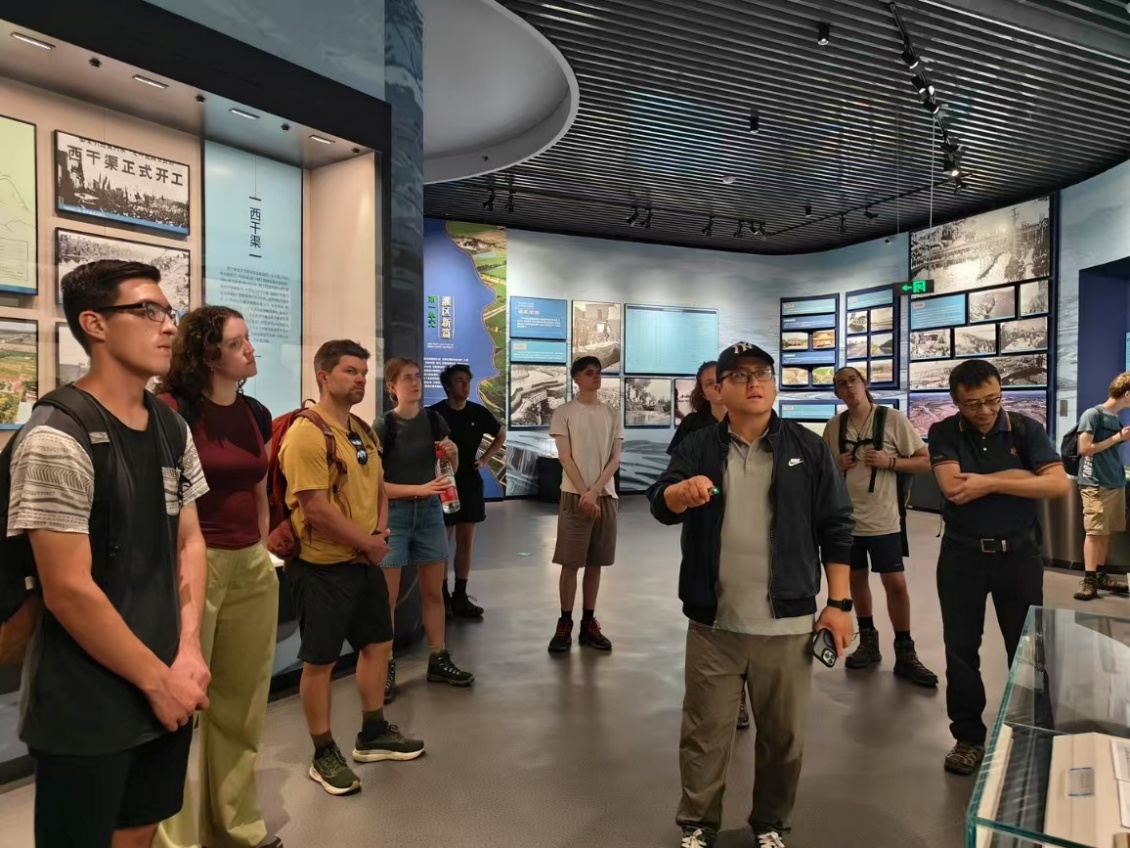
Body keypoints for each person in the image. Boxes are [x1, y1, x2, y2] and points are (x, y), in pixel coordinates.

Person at [8, 260, 210, 846]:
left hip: (167, 676)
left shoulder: (171, 426)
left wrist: (188, 650)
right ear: (94, 324)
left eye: (168, 311)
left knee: (139, 831)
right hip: (87, 698)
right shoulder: (56, 435)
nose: (168, 325)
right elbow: (68, 590)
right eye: (147, 311)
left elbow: (190, 539)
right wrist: (159, 682)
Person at [648, 341, 854, 848]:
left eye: (762, 373)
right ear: (719, 389)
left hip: (786, 623)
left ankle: (771, 822)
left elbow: (836, 525)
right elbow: (660, 501)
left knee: (784, 736)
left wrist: (838, 604)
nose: (754, 383)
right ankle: (698, 824)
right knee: (704, 733)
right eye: (740, 376)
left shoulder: (807, 449)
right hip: (713, 622)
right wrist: (679, 494)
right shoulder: (699, 445)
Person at [154, 307, 280, 848]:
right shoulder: (171, 412)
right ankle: (171, 839)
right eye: (236, 343)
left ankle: (235, 829)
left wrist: (263, 548)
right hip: (190, 565)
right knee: (179, 705)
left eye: (247, 339)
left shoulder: (254, 412)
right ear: (208, 356)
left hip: (250, 562)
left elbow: (257, 488)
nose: (250, 349)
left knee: (243, 703)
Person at [277, 340, 423, 797]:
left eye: (363, 372)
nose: (360, 379)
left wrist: (378, 534)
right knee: (320, 662)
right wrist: (367, 543)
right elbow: (315, 509)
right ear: (324, 376)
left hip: (363, 562)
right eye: (350, 371)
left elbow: (378, 486)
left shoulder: (361, 429)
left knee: (378, 644)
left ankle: (372, 732)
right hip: (322, 567)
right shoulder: (306, 434)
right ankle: (323, 752)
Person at [929, 359, 1067, 776]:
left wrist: (988, 482)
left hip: (1019, 557)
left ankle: (1028, 733)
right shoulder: (944, 432)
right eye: (973, 404)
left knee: (1027, 650)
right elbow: (954, 488)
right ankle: (968, 738)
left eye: (993, 400)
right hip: (962, 557)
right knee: (961, 650)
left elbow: (1057, 484)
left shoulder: (1026, 429)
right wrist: (1023, 477)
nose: (986, 411)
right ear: (956, 402)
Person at [825, 366, 936, 687]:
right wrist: (836, 465)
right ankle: (868, 642)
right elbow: (822, 471)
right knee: (856, 580)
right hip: (847, 521)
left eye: (853, 381)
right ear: (837, 392)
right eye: (841, 384)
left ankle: (905, 650)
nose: (848, 388)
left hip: (884, 520)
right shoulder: (834, 427)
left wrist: (890, 462)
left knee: (895, 584)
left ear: (865, 383)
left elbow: (925, 460)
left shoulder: (892, 420)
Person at [376, 358, 474, 702]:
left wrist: (453, 455)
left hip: (431, 512)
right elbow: (375, 485)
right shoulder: (384, 426)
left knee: (433, 592)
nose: (415, 383)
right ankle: (384, 665)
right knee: (387, 599)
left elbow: (447, 471)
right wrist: (418, 489)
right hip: (395, 516)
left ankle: (438, 656)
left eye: (417, 377)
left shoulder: (434, 421)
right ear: (392, 387)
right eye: (407, 378)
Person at [669, 360, 751, 730]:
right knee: (711, 611)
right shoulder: (694, 428)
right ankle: (721, 694)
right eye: (707, 383)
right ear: (702, 390)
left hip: (748, 534)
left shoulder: (752, 423)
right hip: (704, 531)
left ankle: (743, 693)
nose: (715, 387)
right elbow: (672, 480)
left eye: (720, 380)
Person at [547, 356, 622, 654]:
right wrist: (584, 493)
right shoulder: (564, 413)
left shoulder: (611, 413)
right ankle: (565, 622)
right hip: (574, 495)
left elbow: (615, 458)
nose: (596, 377)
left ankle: (588, 622)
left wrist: (595, 492)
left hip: (604, 496)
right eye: (589, 373)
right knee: (570, 563)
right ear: (577, 379)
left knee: (595, 563)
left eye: (598, 372)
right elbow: (565, 457)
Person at [428, 363, 506, 619]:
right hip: (444, 484)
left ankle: (460, 595)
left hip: (470, 483)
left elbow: (500, 434)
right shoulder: (434, 414)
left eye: (467, 380)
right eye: (459, 380)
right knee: (442, 543)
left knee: (465, 541)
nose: (465, 385)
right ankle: (442, 598)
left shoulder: (478, 412)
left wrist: (485, 459)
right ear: (448, 386)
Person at [1072, 372, 1130, 601]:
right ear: (1127, 394)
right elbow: (1085, 449)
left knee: (1104, 532)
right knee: (1095, 532)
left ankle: (1099, 575)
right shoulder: (1092, 414)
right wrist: (1118, 438)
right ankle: (1089, 579)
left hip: (1114, 482)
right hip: (1095, 483)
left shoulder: (1115, 418)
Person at [669, 361, 725, 455]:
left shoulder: (750, 422)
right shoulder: (691, 423)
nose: (718, 386)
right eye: (710, 383)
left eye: (721, 379)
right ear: (704, 394)